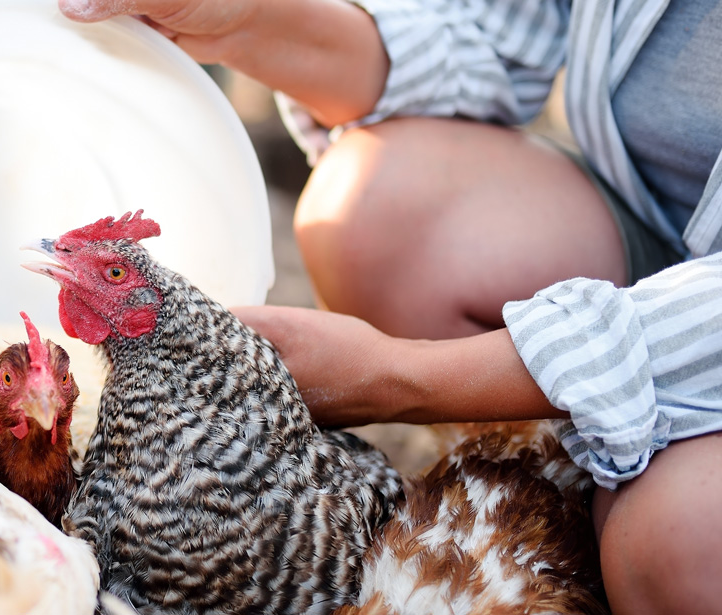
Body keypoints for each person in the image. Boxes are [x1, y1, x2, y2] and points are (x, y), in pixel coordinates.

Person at [59, 1, 722, 613]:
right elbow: (487, 41)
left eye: (114, 273)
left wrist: (394, 373)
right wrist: (244, 19)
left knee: (673, 545)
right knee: (369, 208)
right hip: (658, 223)